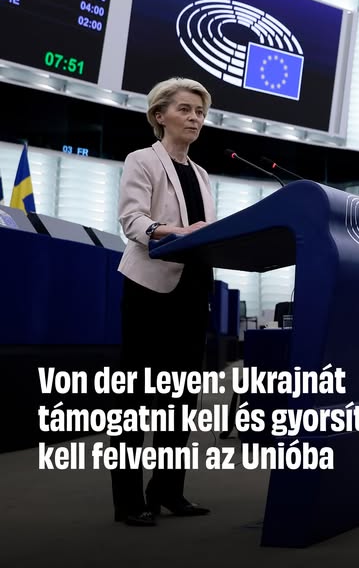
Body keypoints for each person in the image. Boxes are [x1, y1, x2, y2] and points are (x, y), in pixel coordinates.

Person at [111, 77, 216, 526]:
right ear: (160, 115)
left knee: (182, 399)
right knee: (136, 398)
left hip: (193, 290)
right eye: (185, 110)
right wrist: (176, 232)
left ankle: (168, 491)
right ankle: (128, 501)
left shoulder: (202, 174)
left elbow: (206, 231)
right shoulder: (142, 160)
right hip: (149, 290)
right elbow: (132, 220)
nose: (195, 119)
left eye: (200, 112)